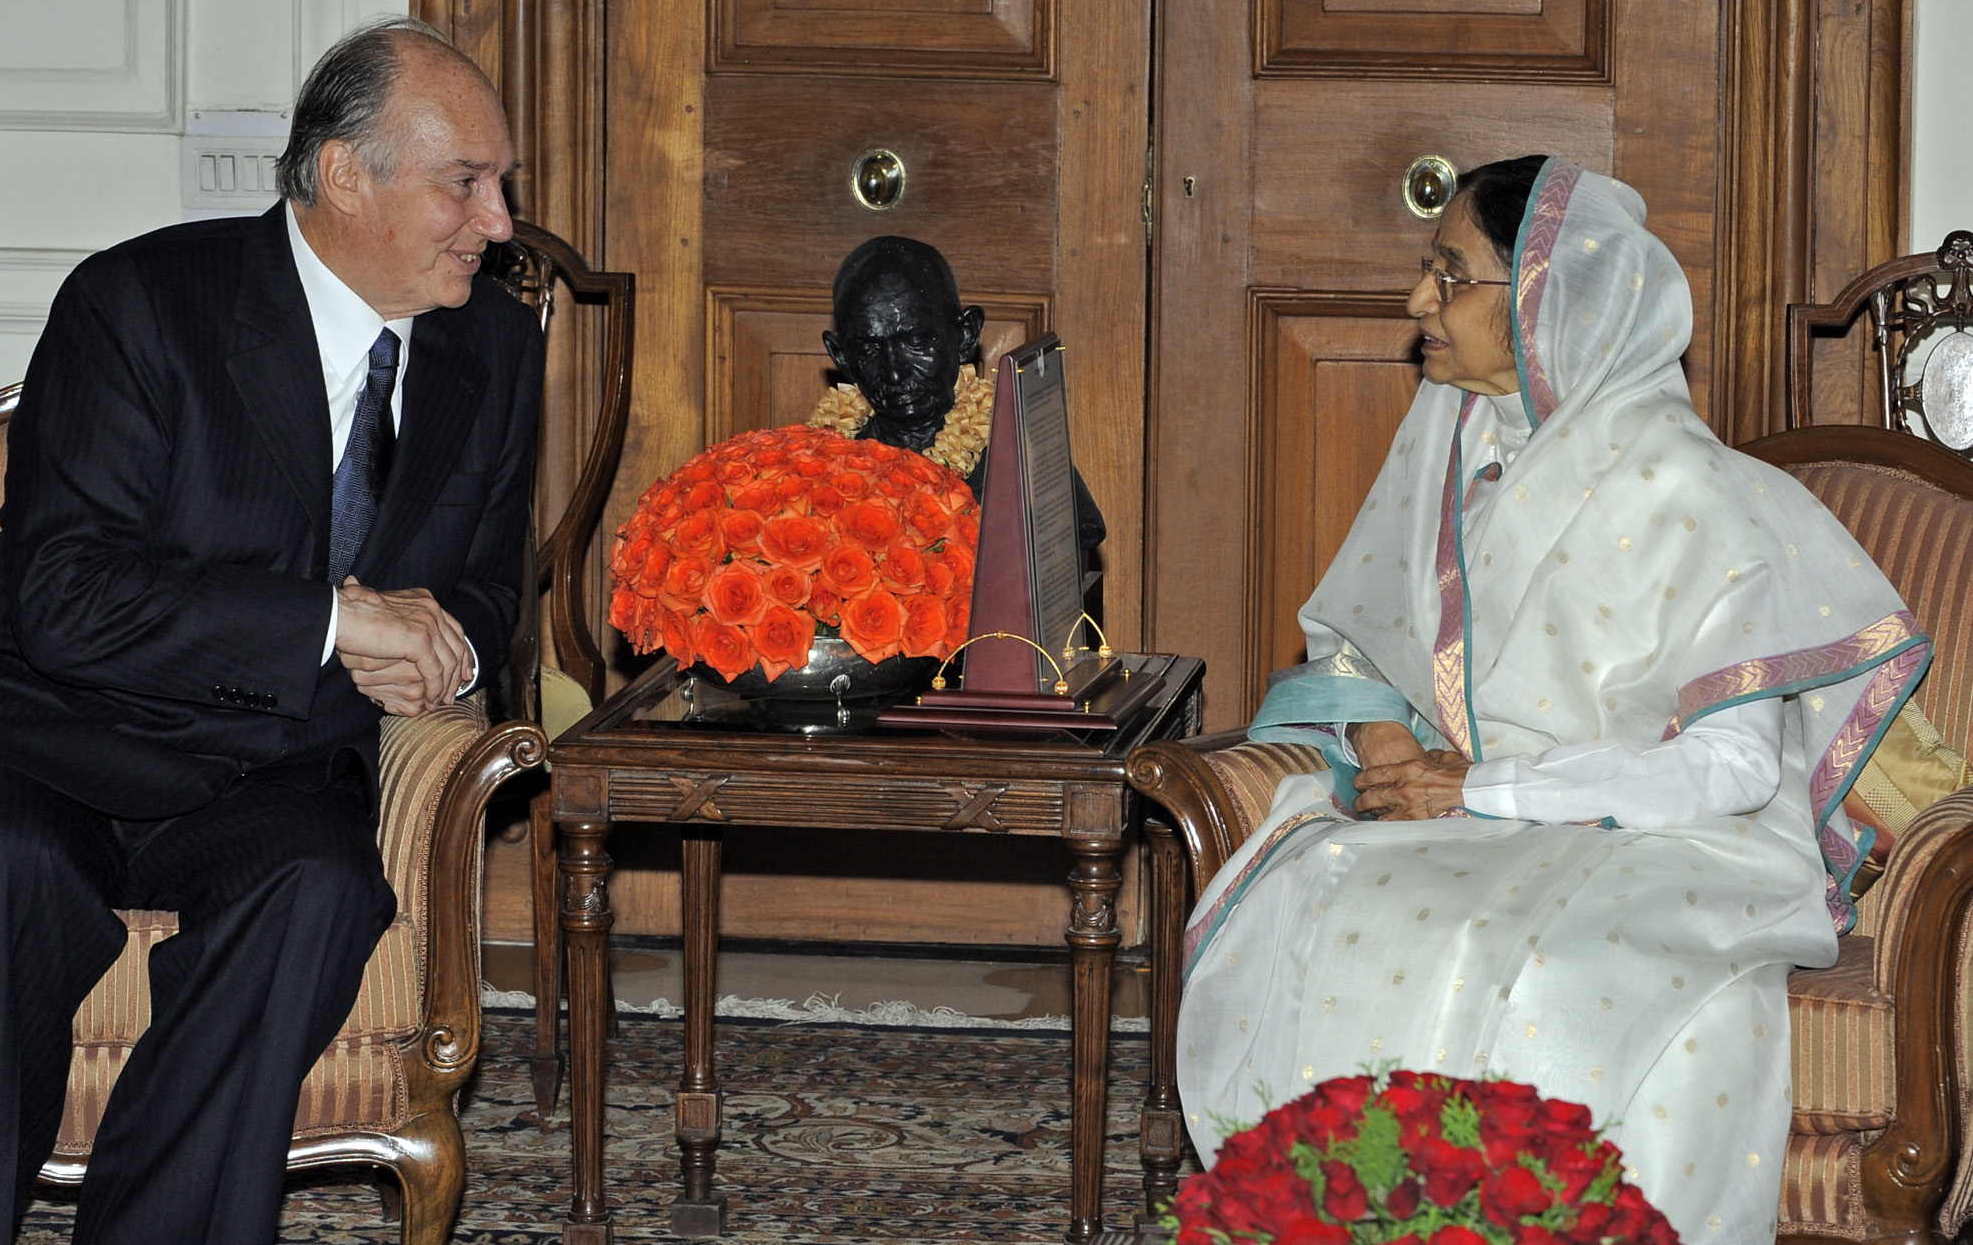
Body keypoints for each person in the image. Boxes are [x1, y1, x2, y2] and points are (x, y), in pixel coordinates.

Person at [0, 17, 542, 1243]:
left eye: (501, 183)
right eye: (468, 182)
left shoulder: (490, 350)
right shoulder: (139, 303)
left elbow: (496, 586)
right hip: (41, 727)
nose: (499, 222)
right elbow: (73, 597)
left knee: (328, 886)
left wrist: (446, 644)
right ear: (347, 174)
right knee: (3, 867)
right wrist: (337, 622)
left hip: (271, 762)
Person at [1175, 158, 1927, 1242]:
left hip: (1682, 837)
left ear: (1549, 300)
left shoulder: (1694, 491)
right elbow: (1364, 631)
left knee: (1539, 967)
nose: (1416, 303)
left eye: (1449, 274)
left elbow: (1731, 769)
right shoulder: (1453, 437)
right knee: (1320, 888)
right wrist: (1391, 751)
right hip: (1480, 814)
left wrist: (1484, 785)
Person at [814, 234, 1106, 557]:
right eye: (869, 348)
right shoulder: (821, 460)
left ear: (965, 335)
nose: (894, 372)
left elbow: (1077, 538)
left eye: (916, 341)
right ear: (841, 357)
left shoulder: (1017, 451)